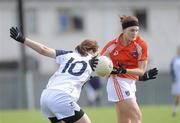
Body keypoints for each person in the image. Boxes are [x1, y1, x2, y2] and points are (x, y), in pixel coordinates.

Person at [10, 27, 99, 123]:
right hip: (62, 97)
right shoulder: (93, 61)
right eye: (97, 52)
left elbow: (43, 50)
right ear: (92, 50)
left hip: (46, 97)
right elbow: (107, 68)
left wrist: (23, 39)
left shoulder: (68, 54)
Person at [100, 15, 158, 123]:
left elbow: (141, 71)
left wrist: (125, 70)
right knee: (136, 116)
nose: (135, 33)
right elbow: (101, 67)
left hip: (131, 83)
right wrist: (111, 69)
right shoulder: (111, 46)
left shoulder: (141, 45)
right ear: (124, 30)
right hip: (117, 81)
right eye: (131, 30)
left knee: (124, 120)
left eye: (137, 30)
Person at [170, 46, 180, 117]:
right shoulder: (175, 60)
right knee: (177, 96)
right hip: (177, 81)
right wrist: (174, 78)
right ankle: (174, 110)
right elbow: (172, 70)